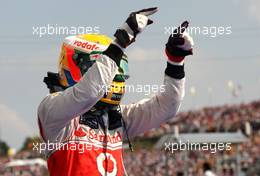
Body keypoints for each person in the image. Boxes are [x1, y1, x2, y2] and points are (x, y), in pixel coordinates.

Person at [37, 7, 194, 176]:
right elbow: (88, 93)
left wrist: (175, 62)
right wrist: (120, 42)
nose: (115, 75)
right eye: (109, 65)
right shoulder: (51, 110)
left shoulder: (116, 117)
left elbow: (166, 107)